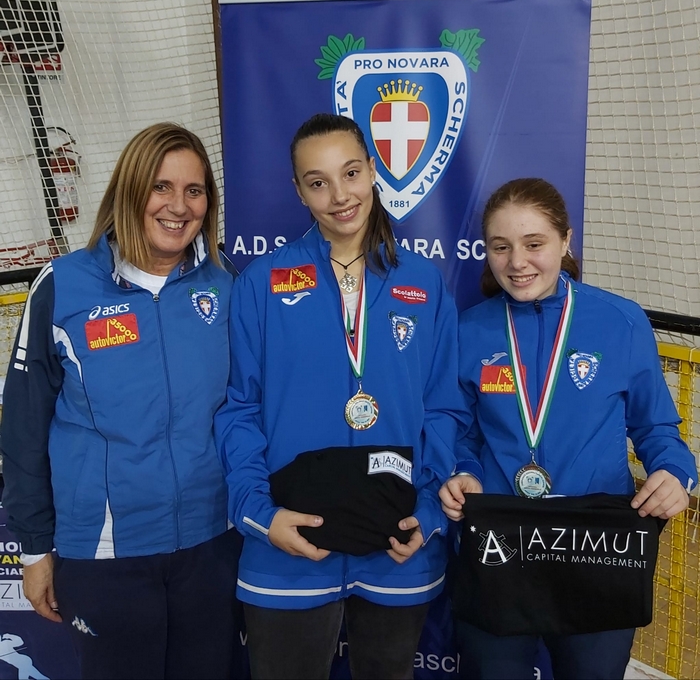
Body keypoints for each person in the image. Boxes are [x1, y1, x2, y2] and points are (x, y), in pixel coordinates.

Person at [215, 113, 462, 679]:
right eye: (318, 182)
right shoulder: (261, 283)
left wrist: (428, 511)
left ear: (373, 170)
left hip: (398, 544)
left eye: (351, 173)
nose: (340, 196)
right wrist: (260, 514)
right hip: (288, 547)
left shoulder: (423, 282)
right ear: (298, 191)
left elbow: (445, 408)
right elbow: (240, 410)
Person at [1, 123, 242, 680]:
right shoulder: (63, 286)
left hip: (212, 542)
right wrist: (34, 550)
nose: (178, 206)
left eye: (194, 190)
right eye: (161, 187)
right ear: (129, 190)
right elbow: (23, 428)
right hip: (105, 553)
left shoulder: (226, 280)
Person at [439, 177, 698, 680]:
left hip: (596, 547)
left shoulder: (620, 322)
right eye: (501, 247)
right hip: (500, 544)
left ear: (566, 240)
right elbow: (460, 432)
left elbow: (657, 428)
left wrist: (674, 470)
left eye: (534, 243)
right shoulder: (469, 330)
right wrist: (463, 471)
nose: (517, 262)